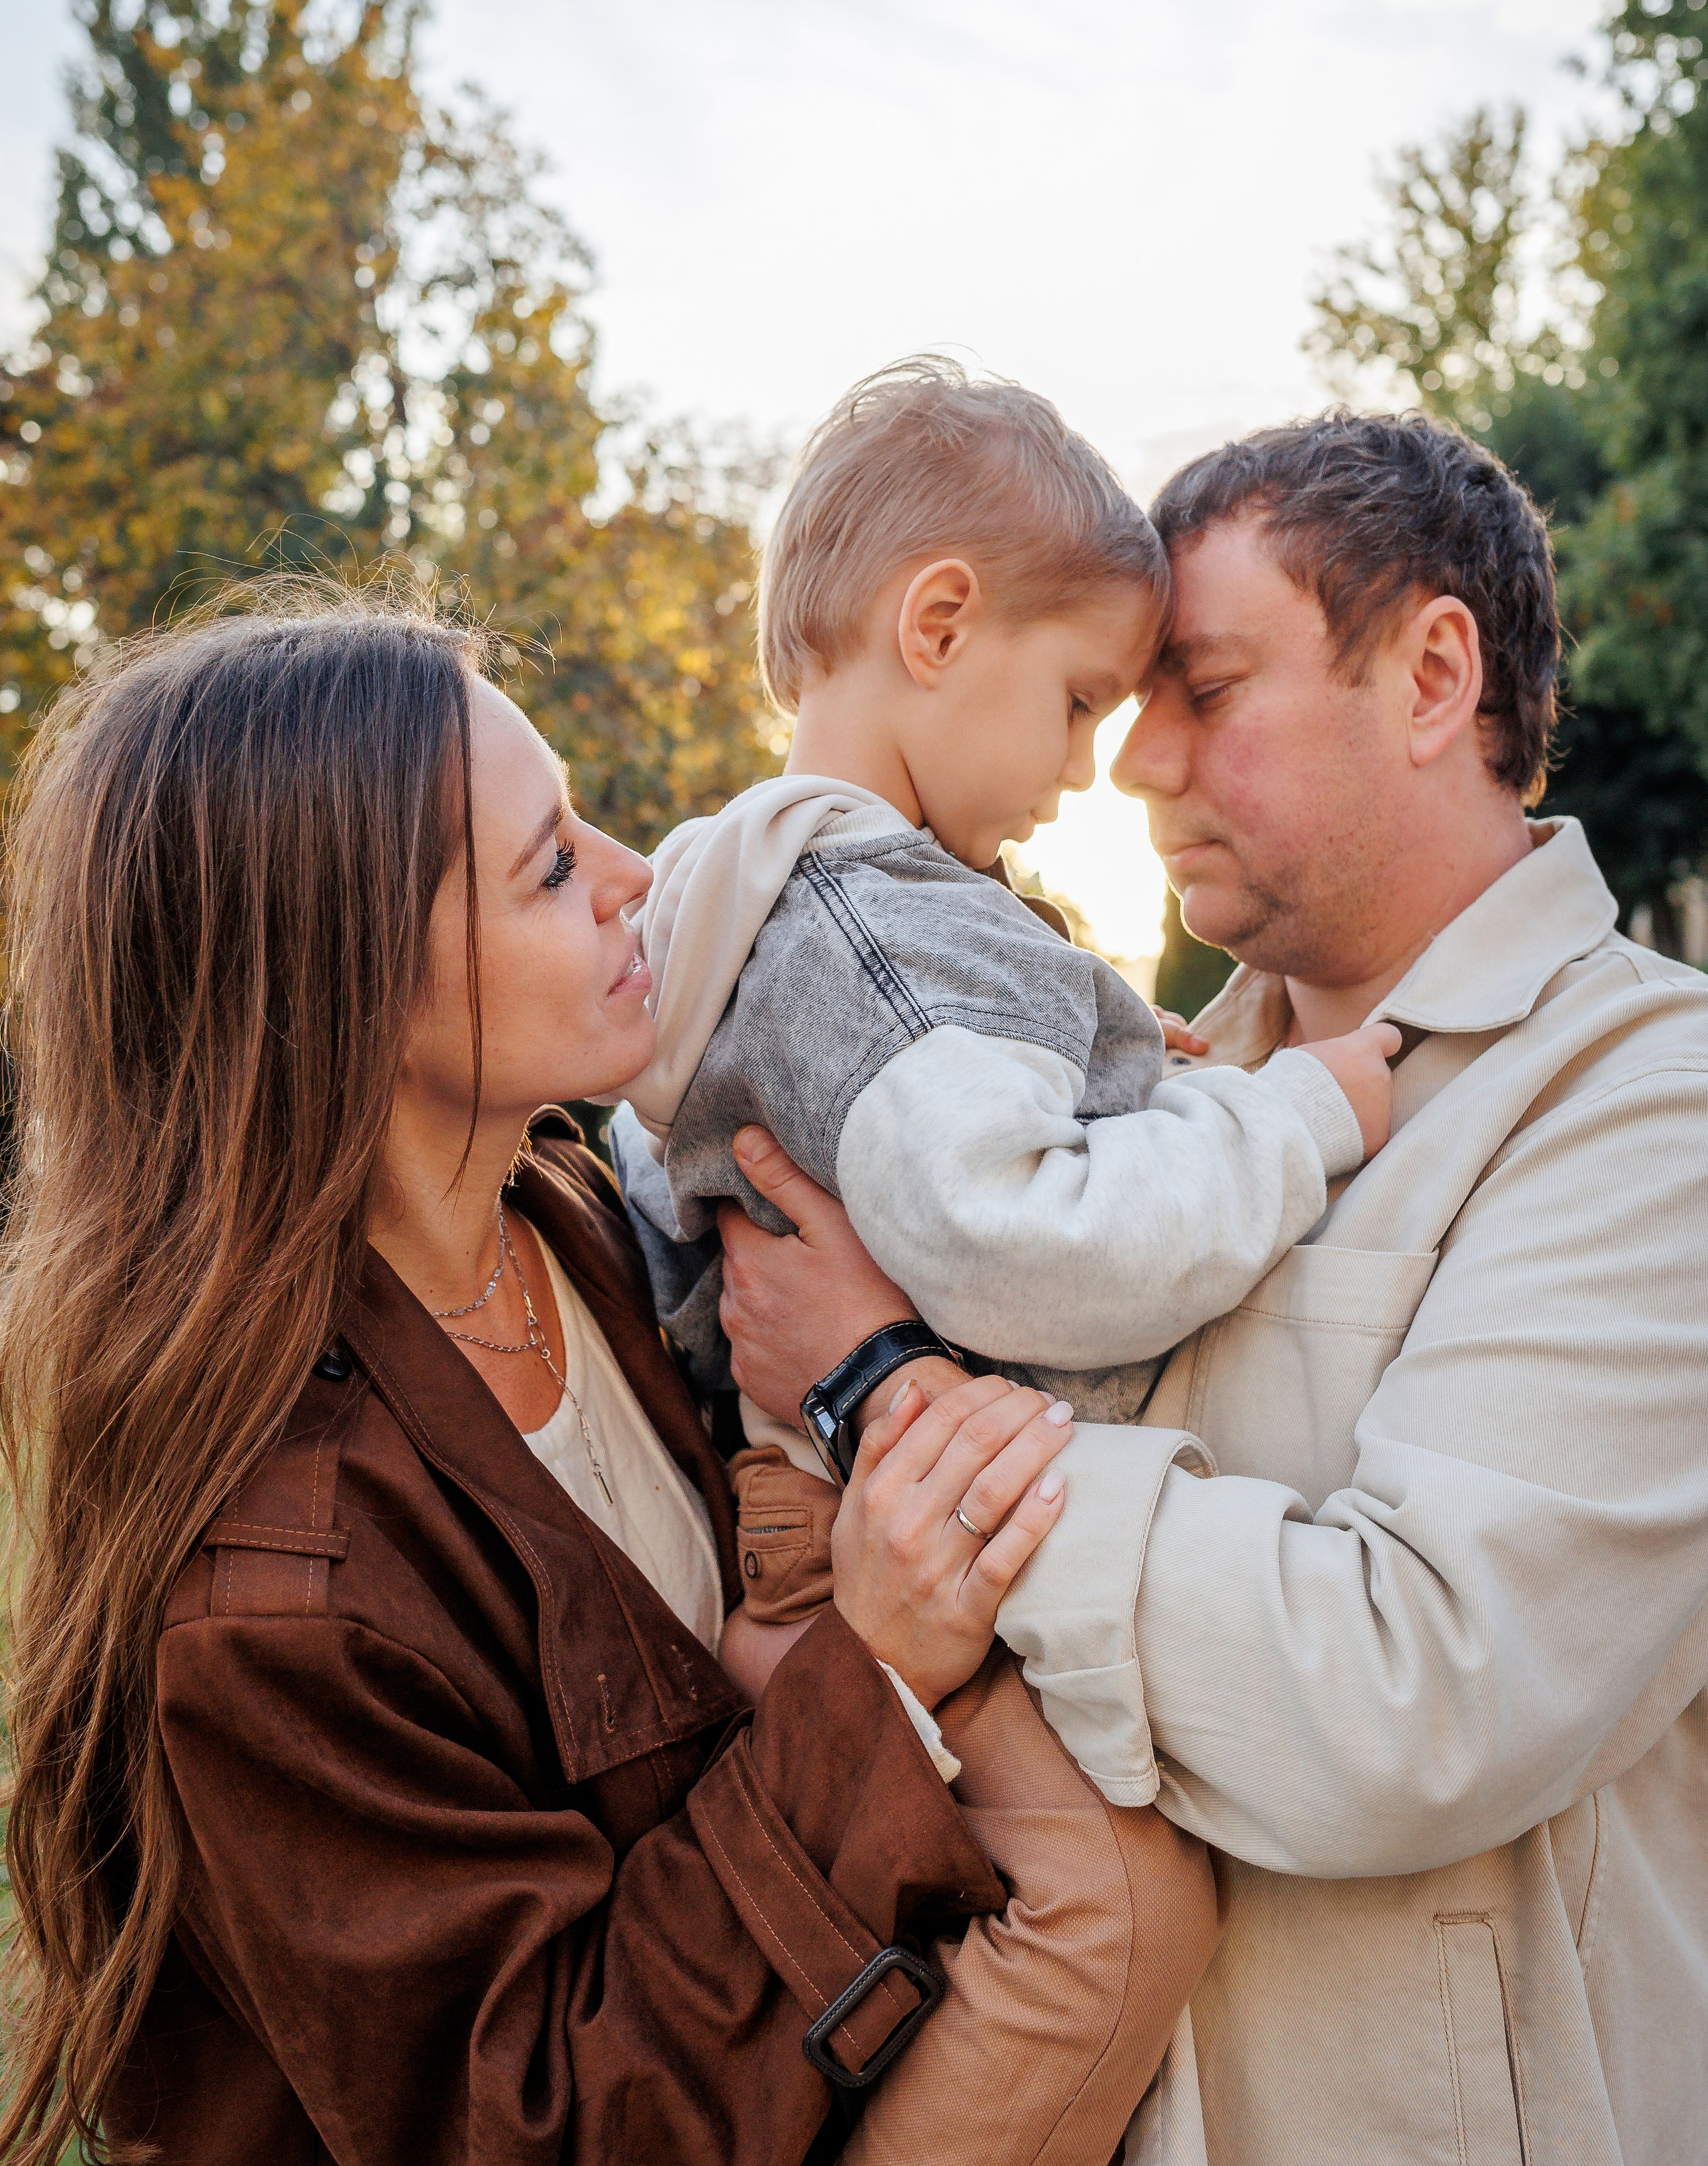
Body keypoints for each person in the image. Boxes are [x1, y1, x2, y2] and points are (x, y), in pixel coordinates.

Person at [0, 585, 1215, 2166]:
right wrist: (870, 1671)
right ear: (354, 988)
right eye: (552, 867)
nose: (637, 875)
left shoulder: (579, 1219)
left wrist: (1096, 1085)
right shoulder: (278, 1603)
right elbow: (547, 2126)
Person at [717, 410, 1708, 2166]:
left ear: (1431, 677)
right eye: (1119, 696)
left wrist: (891, 1400)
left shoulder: (1649, 1103)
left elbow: (1412, 1699)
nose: (1132, 762)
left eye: (1208, 688)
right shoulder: (1149, 1101)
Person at [608, 356, 1396, 1455]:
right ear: (938, 628)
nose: (1083, 772)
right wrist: (1298, 1116)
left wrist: (1082, 1059)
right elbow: (1040, 1251)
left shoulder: (764, 919)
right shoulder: (885, 948)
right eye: (1078, 704)